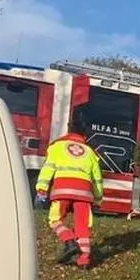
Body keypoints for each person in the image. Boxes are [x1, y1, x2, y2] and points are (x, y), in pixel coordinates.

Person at [35, 115, 104, 269]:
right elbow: (97, 179)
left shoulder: (57, 147)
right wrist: (98, 198)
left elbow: (48, 168)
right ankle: (84, 261)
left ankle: (69, 241)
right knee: (83, 226)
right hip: (85, 194)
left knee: (55, 219)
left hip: (62, 190)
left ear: (69, 130)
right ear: (84, 134)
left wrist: (42, 188)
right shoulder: (90, 152)